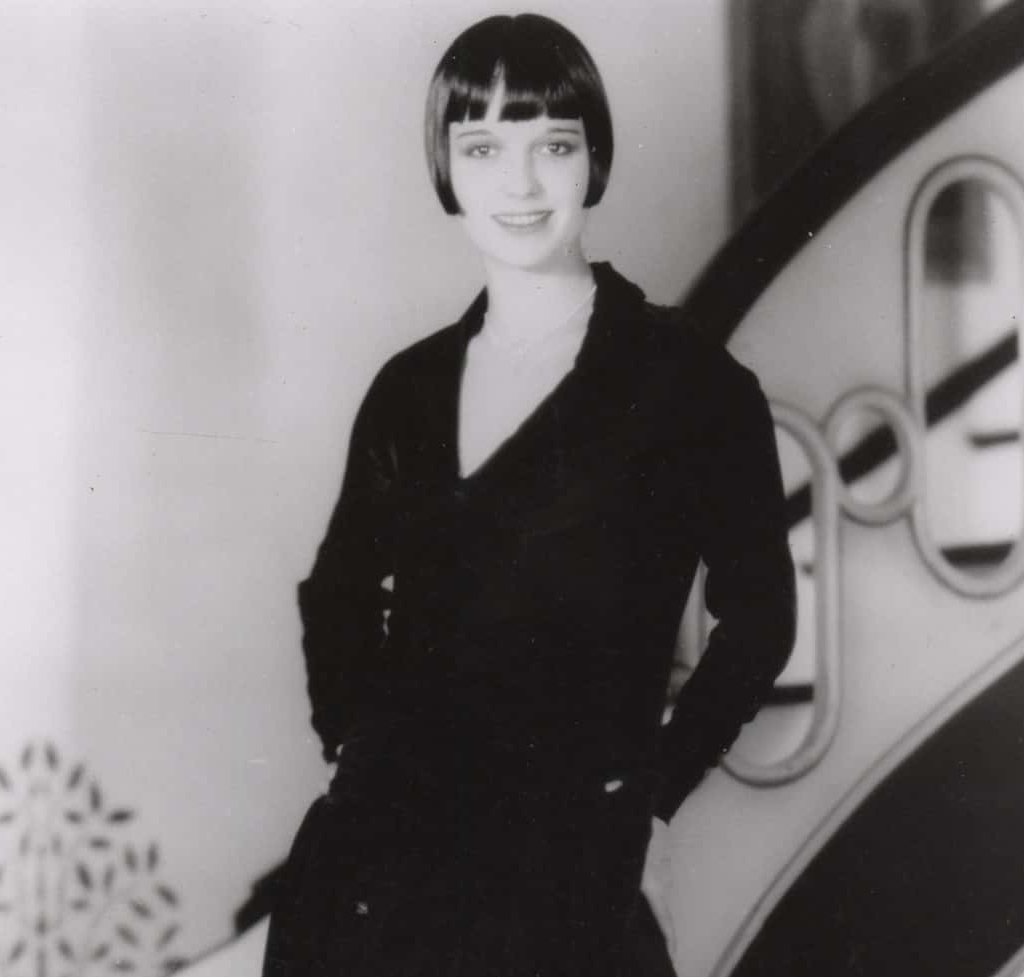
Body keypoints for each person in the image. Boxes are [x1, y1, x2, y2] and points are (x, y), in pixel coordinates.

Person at [263, 13, 796, 977]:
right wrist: (355, 751)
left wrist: (654, 798)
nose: (518, 183)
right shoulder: (408, 389)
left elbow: (760, 621)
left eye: (552, 145)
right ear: (447, 171)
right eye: (482, 147)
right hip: (376, 874)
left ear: (593, 161)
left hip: (571, 871)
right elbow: (335, 591)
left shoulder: (690, 384)